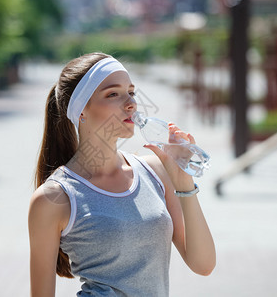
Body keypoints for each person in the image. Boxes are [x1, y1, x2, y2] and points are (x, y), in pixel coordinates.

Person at [28, 53, 215, 296]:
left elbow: (203, 264)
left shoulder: (155, 171)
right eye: (113, 94)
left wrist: (183, 181)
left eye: (131, 92)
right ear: (81, 110)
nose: (131, 104)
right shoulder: (55, 197)